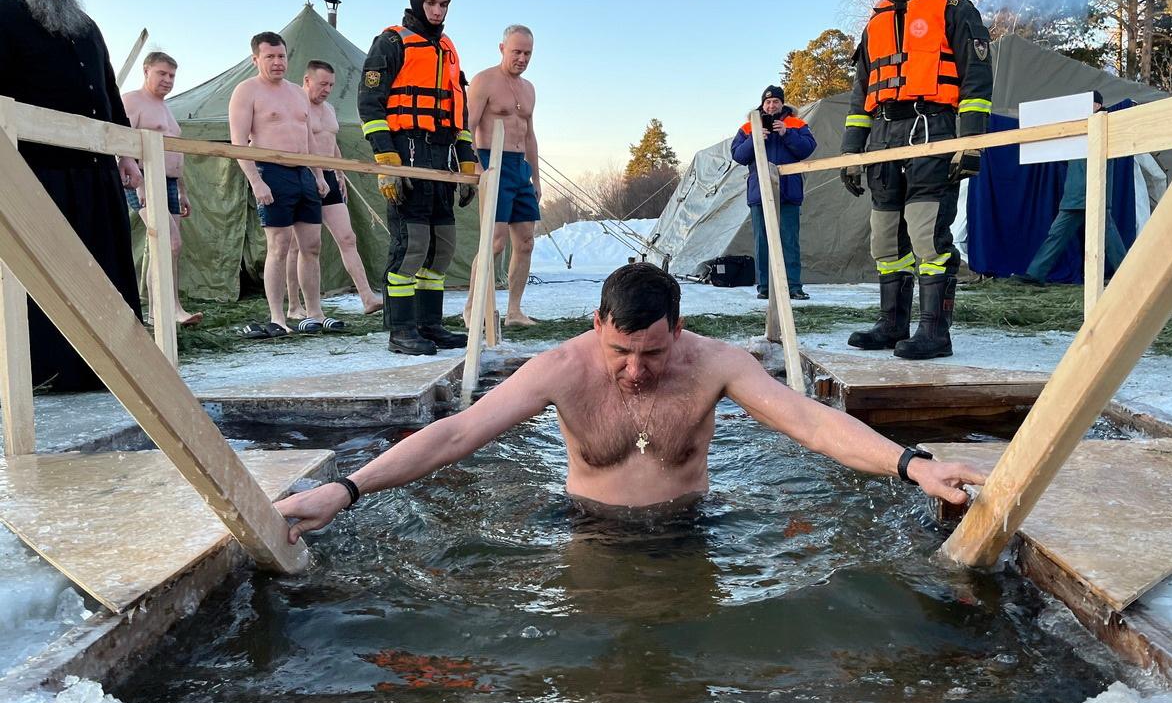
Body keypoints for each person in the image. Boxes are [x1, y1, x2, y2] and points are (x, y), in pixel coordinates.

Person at [273, 263, 987, 541]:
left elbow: (808, 422)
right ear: (597, 326)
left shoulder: (716, 363)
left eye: (653, 353)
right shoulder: (559, 369)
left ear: (678, 327)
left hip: (691, 525)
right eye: (620, 352)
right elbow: (458, 434)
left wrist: (913, 464)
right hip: (590, 527)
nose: (636, 371)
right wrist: (346, 488)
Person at [840, 0, 993, 361]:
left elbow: (976, 79)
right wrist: (851, 151)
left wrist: (970, 143)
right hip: (884, 138)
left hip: (933, 131)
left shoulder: (954, 8)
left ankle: (934, 332)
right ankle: (892, 324)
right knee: (885, 239)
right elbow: (861, 93)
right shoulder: (875, 22)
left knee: (926, 234)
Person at [0, 0, 143, 390]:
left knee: (105, 267)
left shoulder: (86, 26)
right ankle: (49, 373)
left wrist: (126, 153)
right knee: (48, 274)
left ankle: (111, 365)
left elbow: (108, 93)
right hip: (35, 173)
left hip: (97, 173)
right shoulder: (3, 16)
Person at [359, 0, 478, 355]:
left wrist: (467, 163)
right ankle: (402, 330)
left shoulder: (449, 51)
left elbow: (459, 114)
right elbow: (369, 104)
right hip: (406, 154)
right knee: (412, 245)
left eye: (443, 4)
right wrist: (386, 159)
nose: (438, 10)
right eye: (431, 2)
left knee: (442, 247)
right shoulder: (391, 42)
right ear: (416, 2)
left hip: (442, 160)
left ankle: (430, 325)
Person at [228, 32, 333, 338]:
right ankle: (278, 315)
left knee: (312, 245)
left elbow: (308, 136)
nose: (277, 62)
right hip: (271, 172)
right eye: (270, 57)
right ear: (256, 59)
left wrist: (318, 175)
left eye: (282, 56)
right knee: (279, 246)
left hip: (303, 172)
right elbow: (238, 142)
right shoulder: (246, 91)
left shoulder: (298, 93)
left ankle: (314, 312)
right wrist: (256, 181)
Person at [284, 59, 384, 320]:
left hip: (330, 175)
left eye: (331, 85)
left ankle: (367, 297)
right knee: (297, 246)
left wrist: (339, 172)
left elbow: (331, 141)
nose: (327, 89)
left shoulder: (329, 108)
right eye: (322, 84)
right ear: (307, 81)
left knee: (347, 237)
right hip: (303, 174)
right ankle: (294, 305)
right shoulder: (295, 105)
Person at [463, 25, 542, 327]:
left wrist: (536, 178)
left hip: (520, 167)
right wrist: (477, 168)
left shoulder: (529, 88)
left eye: (527, 53)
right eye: (516, 52)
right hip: (491, 161)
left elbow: (530, 135)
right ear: (502, 49)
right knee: (494, 242)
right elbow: (467, 126)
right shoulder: (484, 81)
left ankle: (514, 311)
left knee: (526, 242)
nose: (522, 58)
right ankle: (472, 308)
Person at [1011, 92, 1128, 286]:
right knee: (1059, 235)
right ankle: (1035, 274)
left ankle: (1127, 275)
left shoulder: (1106, 126)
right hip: (1075, 195)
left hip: (1093, 192)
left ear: (1097, 106)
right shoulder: (1079, 128)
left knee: (1107, 238)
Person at [122, 51, 202, 328]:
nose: (168, 80)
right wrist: (140, 184)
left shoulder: (166, 108)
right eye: (162, 73)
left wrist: (182, 189)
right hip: (144, 178)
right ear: (146, 71)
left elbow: (175, 152)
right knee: (170, 242)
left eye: (172, 75)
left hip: (170, 182)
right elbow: (122, 144)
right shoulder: (133, 100)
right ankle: (171, 308)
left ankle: (160, 312)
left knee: (167, 247)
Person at [730, 85, 817, 300]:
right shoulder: (749, 127)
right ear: (762, 104)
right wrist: (755, 139)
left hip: (789, 191)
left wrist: (787, 133)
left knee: (789, 240)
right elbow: (738, 155)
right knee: (762, 241)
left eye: (775, 101)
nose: (771, 105)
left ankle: (793, 286)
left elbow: (808, 148)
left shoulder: (796, 124)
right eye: (767, 102)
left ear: (782, 103)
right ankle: (765, 287)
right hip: (760, 191)